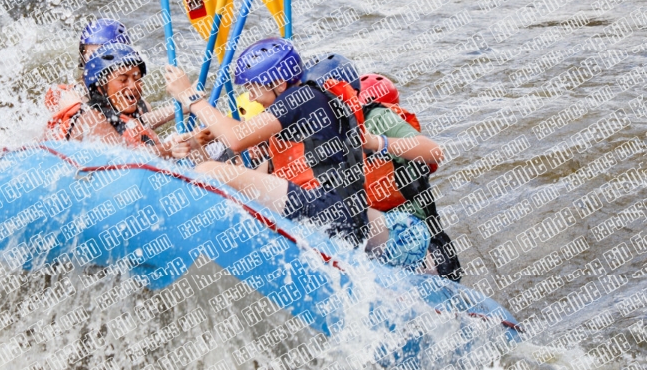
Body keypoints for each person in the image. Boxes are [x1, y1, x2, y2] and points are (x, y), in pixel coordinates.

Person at [164, 38, 445, 256]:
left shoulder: (304, 96)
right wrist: (195, 147)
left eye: (253, 88)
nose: (251, 97)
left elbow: (237, 138)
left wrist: (191, 97)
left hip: (334, 215)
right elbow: (256, 179)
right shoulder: (295, 118)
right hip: (340, 216)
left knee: (209, 170)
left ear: (278, 83)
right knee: (213, 170)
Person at [303, 55, 439, 274]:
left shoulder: (376, 118)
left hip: (410, 232)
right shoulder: (318, 135)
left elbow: (433, 152)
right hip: (366, 230)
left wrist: (376, 142)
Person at [359, 73, 462, 281]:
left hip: (425, 245)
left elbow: (434, 152)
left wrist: (379, 143)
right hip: (390, 237)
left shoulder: (394, 138)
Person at [63, 44, 209, 161]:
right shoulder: (92, 117)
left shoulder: (125, 114)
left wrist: (188, 104)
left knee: (195, 143)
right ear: (100, 88)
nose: (133, 86)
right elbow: (122, 159)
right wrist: (170, 148)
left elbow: (147, 121)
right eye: (123, 80)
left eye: (137, 78)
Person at [43, 18, 174, 140]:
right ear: (82, 59)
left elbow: (139, 124)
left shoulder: (140, 105)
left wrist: (186, 102)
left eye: (105, 56)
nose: (96, 63)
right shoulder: (69, 97)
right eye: (92, 55)